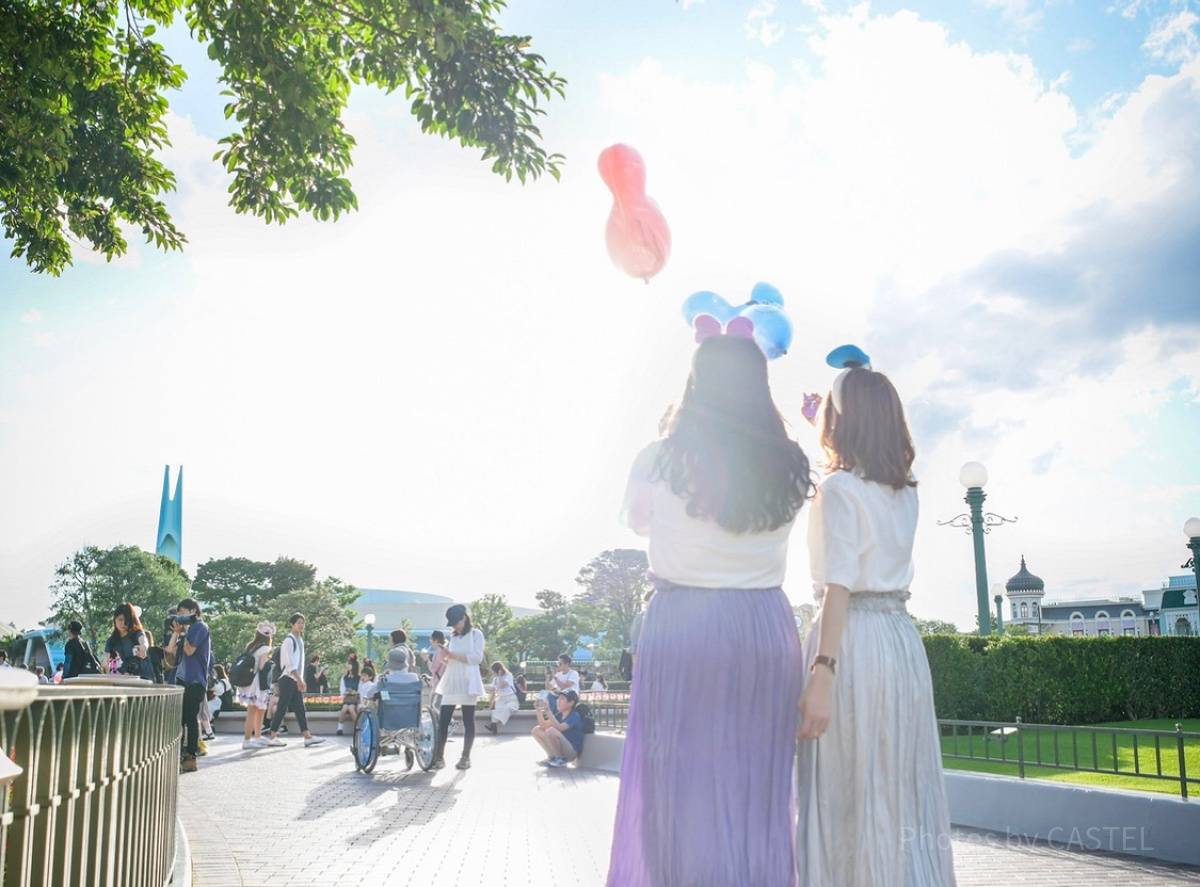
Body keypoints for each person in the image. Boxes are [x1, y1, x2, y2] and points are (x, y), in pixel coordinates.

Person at [606, 334, 814, 887]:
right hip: (765, 629)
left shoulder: (659, 458)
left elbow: (639, 521)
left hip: (683, 627)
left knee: (674, 788)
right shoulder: (792, 463)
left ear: (695, 383)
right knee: (757, 790)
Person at [796, 363, 956, 886]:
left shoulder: (838, 489)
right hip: (900, 641)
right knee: (895, 788)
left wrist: (823, 670)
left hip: (852, 642)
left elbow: (839, 583)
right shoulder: (904, 491)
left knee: (845, 791)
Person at [431, 604, 484, 771]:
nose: (454, 626)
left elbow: (477, 658)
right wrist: (444, 657)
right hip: (453, 681)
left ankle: (465, 757)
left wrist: (454, 656)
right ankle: (439, 756)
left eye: (456, 622)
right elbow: (451, 661)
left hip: (468, 681)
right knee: (443, 719)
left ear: (464, 618)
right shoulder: (454, 637)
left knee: (469, 720)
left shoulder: (476, 634)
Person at [164, 598, 211, 773]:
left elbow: (190, 650)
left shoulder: (200, 626)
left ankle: (191, 757)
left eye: (182, 613)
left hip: (195, 681)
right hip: (182, 680)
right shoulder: (187, 630)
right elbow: (169, 651)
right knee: (180, 719)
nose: (180, 617)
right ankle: (182, 755)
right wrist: (177, 632)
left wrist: (183, 634)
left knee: (190, 719)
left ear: (193, 611)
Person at [265, 613, 325, 748]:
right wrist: (299, 680)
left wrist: (299, 679)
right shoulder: (288, 641)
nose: (301, 625)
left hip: (294, 679)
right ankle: (272, 736)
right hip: (288, 679)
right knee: (282, 707)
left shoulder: (300, 640)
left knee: (299, 708)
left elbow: (299, 663)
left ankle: (307, 736)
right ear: (292, 624)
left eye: (303, 623)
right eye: (298, 622)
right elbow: (289, 663)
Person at [236, 623, 275, 750]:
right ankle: (248, 740)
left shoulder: (251, 646)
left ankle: (256, 738)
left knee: (258, 709)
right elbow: (262, 667)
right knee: (254, 711)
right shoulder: (265, 649)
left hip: (249, 682)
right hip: (256, 683)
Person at [531, 689, 584, 768]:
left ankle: (561, 760)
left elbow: (560, 728)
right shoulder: (560, 714)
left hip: (571, 752)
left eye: (562, 699)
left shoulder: (574, 715)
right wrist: (538, 710)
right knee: (537, 730)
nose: (558, 701)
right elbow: (543, 726)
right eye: (558, 698)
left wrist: (548, 711)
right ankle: (552, 757)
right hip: (561, 748)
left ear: (571, 703)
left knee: (551, 731)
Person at [104, 602, 156, 682]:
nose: (123, 623)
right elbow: (107, 662)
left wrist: (143, 647)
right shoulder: (111, 641)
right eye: (120, 619)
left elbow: (144, 641)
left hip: (143, 680)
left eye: (127, 620)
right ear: (115, 619)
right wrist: (107, 667)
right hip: (122, 680)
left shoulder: (136, 633)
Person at [485, 661, 519, 734]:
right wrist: (490, 706)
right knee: (496, 711)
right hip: (501, 699)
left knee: (507, 708)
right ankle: (494, 726)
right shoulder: (495, 679)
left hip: (511, 698)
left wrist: (500, 676)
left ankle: (494, 724)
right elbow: (493, 693)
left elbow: (501, 685)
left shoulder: (508, 675)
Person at [418, 630, 448, 708]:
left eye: (432, 640)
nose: (431, 642)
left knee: (434, 707)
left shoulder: (438, 652)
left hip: (438, 685)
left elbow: (433, 668)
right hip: (444, 683)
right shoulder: (445, 650)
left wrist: (426, 660)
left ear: (436, 640)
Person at [336, 657, 361, 737]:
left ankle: (358, 728)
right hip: (346, 699)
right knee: (344, 708)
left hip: (355, 700)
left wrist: (354, 692)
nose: (347, 665)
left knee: (351, 708)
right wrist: (346, 692)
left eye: (350, 664)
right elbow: (342, 690)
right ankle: (339, 729)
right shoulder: (344, 678)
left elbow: (361, 690)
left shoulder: (359, 678)